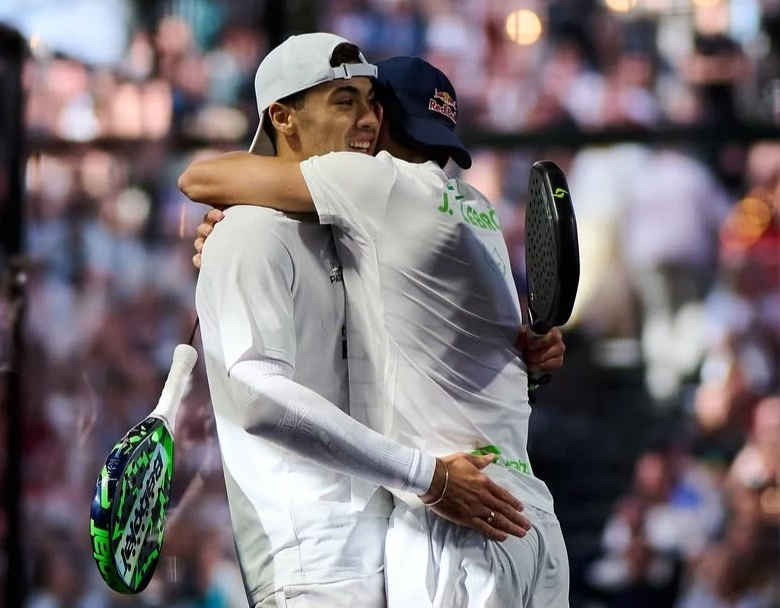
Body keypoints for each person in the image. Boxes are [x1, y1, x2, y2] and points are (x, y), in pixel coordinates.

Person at [180, 56, 571, 606]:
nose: (360, 120)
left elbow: (199, 177)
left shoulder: (378, 182)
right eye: (348, 101)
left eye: (367, 104)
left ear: (382, 119)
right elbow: (511, 355)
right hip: (533, 519)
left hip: (460, 517)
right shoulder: (478, 212)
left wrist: (231, 212)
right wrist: (539, 353)